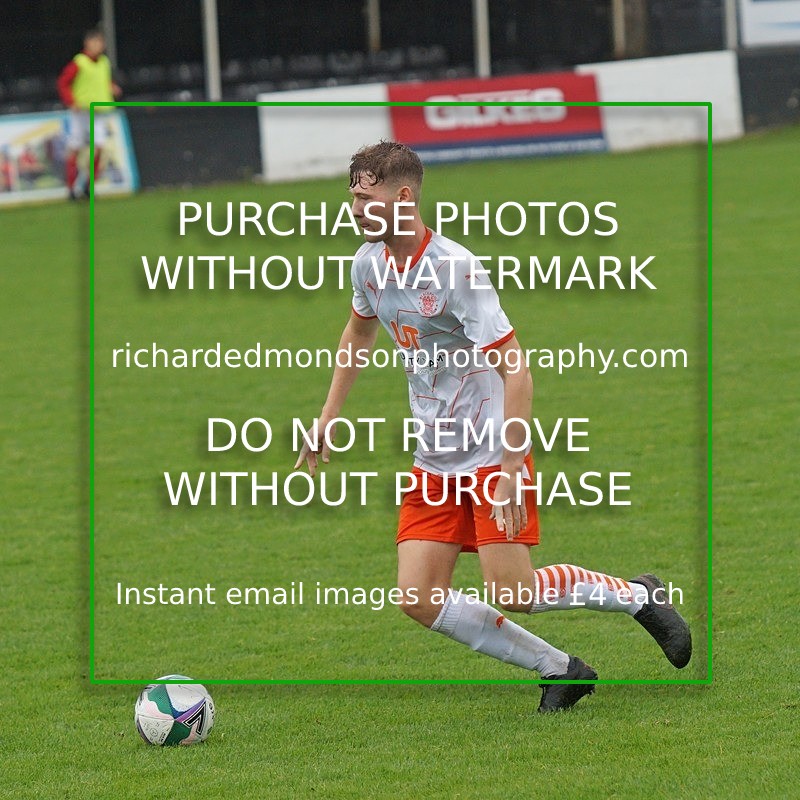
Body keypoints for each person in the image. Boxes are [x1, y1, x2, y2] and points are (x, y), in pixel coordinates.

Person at [295, 141, 691, 712]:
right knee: (417, 596)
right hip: (435, 458)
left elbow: (517, 370)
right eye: (351, 196)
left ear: (403, 197)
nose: (355, 208)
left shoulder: (456, 269)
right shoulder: (367, 264)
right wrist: (327, 418)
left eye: (367, 196)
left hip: (489, 453)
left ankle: (637, 596)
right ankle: (561, 670)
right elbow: (357, 333)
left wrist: (508, 469)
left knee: (516, 593)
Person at [57, 27, 121, 199]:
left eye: (101, 42)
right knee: (75, 148)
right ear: (87, 43)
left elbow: (101, 81)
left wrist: (111, 87)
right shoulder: (79, 62)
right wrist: (71, 102)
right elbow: (63, 83)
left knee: (98, 147)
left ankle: (88, 186)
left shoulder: (104, 62)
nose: (99, 45)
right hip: (82, 112)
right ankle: (71, 189)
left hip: (99, 112)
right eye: (96, 42)